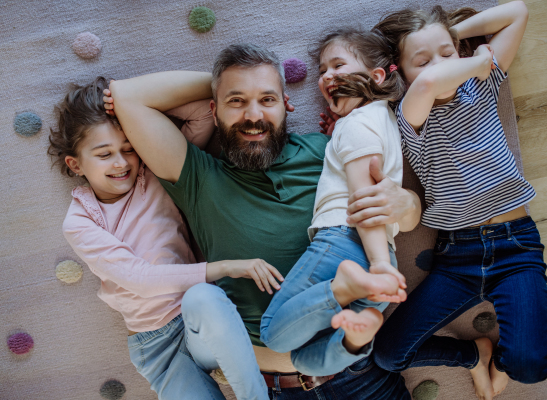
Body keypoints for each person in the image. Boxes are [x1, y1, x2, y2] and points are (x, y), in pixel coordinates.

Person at [103, 44, 453, 399]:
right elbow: (128, 97)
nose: (252, 115)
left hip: (359, 374)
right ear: (214, 109)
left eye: (267, 99)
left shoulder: (325, 149)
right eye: (236, 101)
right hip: (269, 387)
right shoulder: (197, 176)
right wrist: (220, 82)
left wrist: (406, 202)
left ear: (287, 103)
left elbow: (403, 222)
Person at [48, 77, 283, 400]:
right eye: (105, 154)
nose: (121, 163)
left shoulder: (155, 171)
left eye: (128, 149)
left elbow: (203, 113)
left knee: (204, 297)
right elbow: (139, 279)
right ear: (75, 164)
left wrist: (125, 96)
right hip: (156, 344)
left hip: (202, 319)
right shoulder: (80, 221)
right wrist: (225, 267)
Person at [371, 2, 547, 399]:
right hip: (458, 256)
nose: (437, 66)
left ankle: (500, 356)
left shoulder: (481, 86)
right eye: (422, 60)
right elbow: (426, 86)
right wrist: (473, 61)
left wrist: (459, 37)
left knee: (530, 366)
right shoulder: (410, 114)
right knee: (386, 353)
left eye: (446, 53)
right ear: (401, 72)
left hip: (516, 244)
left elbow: (518, 12)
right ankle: (472, 354)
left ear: (457, 48)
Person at [260, 28, 417, 377]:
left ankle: (343, 289)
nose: (327, 75)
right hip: (380, 260)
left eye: (338, 65)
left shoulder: (357, 125)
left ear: (376, 76)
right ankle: (356, 338)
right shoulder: (382, 119)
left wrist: (377, 264)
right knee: (302, 360)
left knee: (273, 334)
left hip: (348, 242)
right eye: (321, 71)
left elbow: (364, 201)